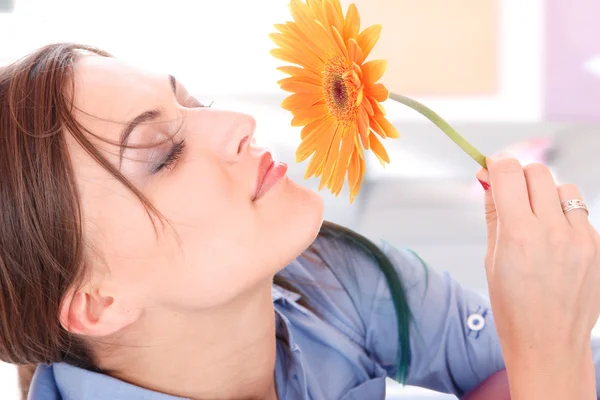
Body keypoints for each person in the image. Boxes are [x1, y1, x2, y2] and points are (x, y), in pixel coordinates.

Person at [1, 43, 599, 400]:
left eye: (193, 103)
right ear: (98, 302)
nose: (236, 122)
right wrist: (550, 352)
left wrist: (545, 336)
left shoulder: (324, 277)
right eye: (163, 152)